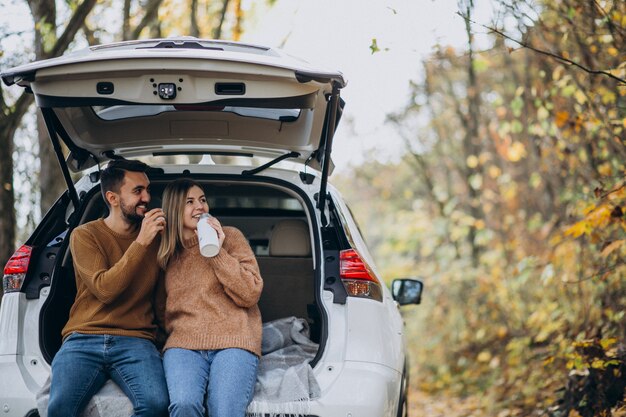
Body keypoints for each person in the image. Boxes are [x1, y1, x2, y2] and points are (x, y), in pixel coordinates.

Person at [47, 159, 169, 417]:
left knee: (156, 404)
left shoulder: (157, 239)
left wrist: (165, 339)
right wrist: (141, 242)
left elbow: (160, 297)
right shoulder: (85, 235)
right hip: (84, 337)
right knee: (59, 407)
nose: (147, 197)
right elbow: (105, 289)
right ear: (113, 198)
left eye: (147, 189)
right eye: (137, 191)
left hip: (137, 340)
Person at [157, 178, 263, 417]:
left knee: (225, 411)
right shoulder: (166, 252)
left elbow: (250, 293)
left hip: (233, 340)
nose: (200, 207)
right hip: (183, 344)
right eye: (190, 202)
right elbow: (160, 307)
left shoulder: (231, 237)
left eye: (203, 200)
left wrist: (216, 251)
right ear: (174, 209)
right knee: (184, 405)